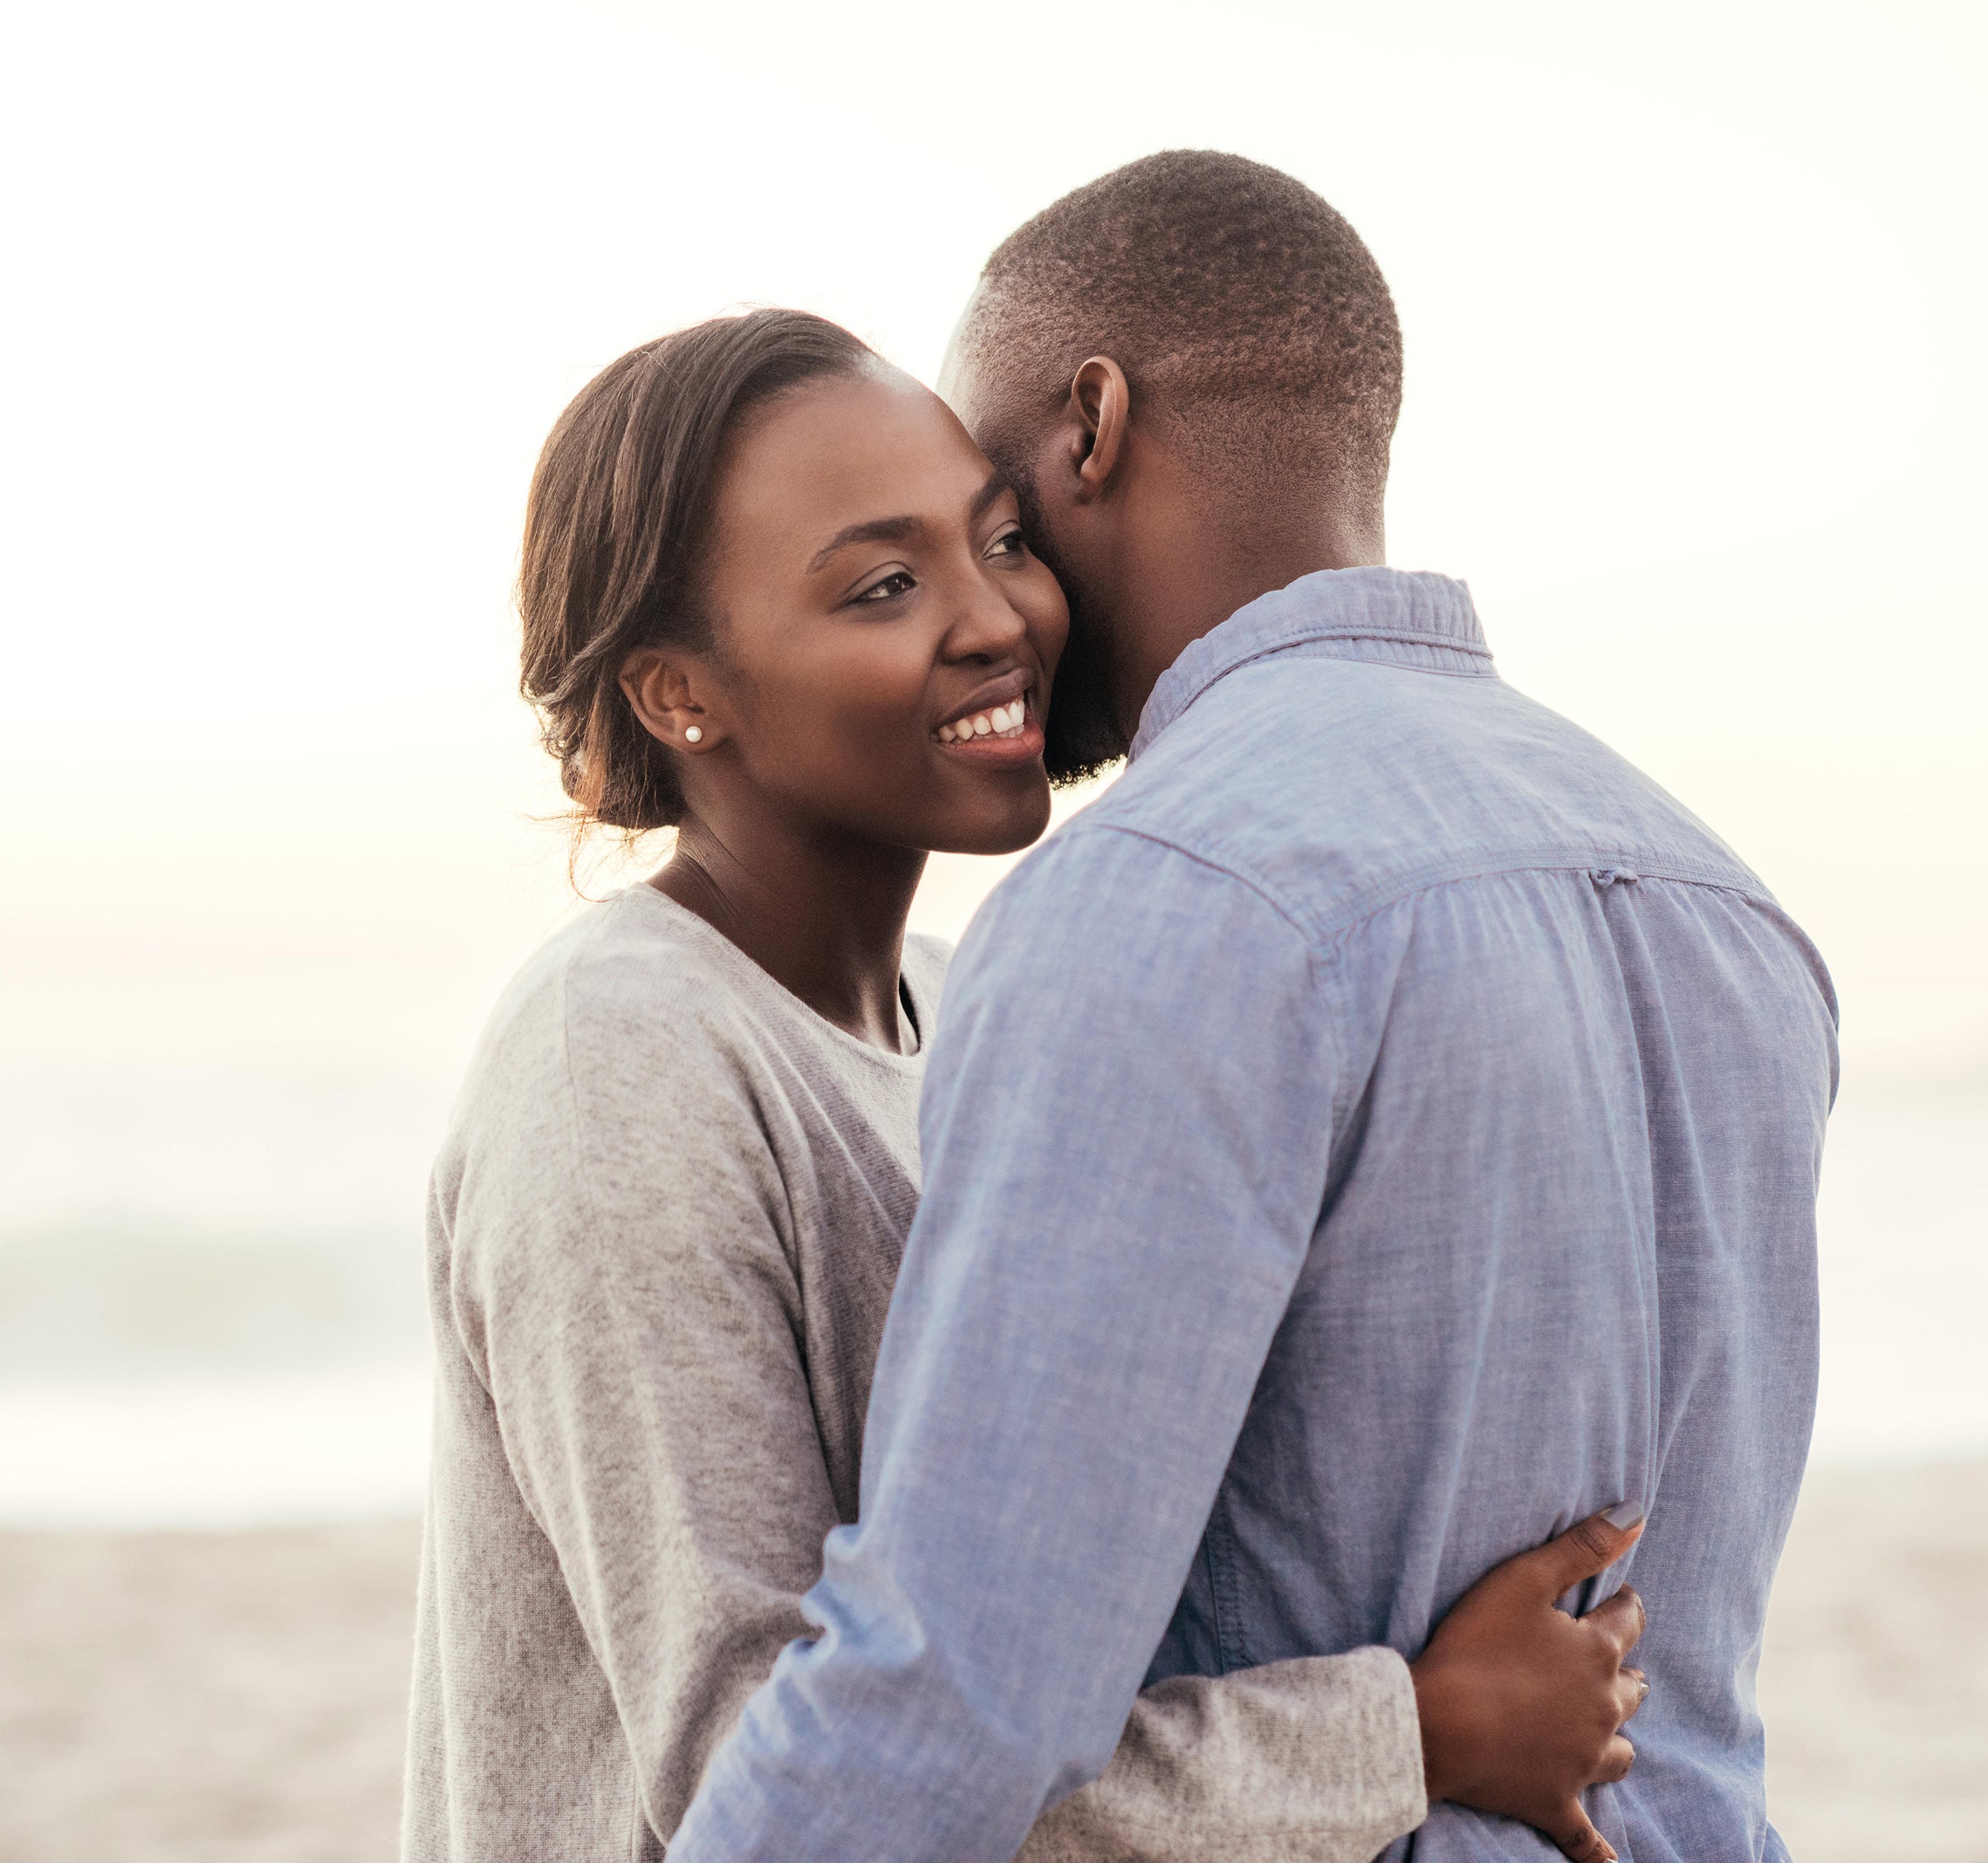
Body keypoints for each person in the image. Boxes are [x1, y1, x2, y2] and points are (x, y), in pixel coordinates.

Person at [666, 155, 1835, 1863]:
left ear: (1092, 425)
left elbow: (954, 1695)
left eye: (1001, 517)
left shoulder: (1165, 895)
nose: (994, 609)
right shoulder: (1724, 903)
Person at [403, 306, 1654, 1863]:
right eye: (884, 585)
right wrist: (1416, 1733)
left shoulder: (961, 1000)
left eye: (1003, 540)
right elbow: (775, 1782)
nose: (997, 618)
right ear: (678, 695)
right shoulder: (619, 1059)